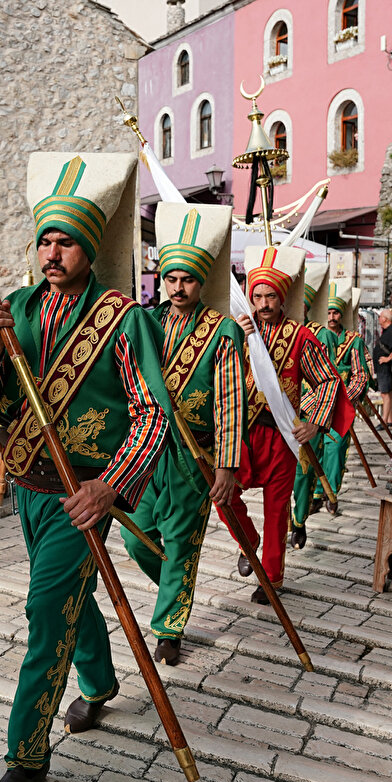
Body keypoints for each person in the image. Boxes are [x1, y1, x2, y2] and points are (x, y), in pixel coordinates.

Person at [0, 153, 171, 782]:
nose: (53, 253)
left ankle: (26, 756)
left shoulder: (124, 318)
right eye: (45, 241)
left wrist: (111, 486)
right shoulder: (16, 307)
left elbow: (151, 415)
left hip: (83, 496)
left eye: (67, 242)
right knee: (67, 596)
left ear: (90, 248)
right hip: (25, 486)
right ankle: (99, 680)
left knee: (44, 609)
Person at [124, 202, 244, 667]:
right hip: (148, 448)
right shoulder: (145, 323)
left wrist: (228, 464)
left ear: (201, 282)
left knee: (180, 540)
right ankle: (177, 588)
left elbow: (230, 400)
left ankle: (169, 627)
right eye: (171, 279)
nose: (178, 287)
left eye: (188, 280)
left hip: (195, 456)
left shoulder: (222, 332)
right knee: (138, 536)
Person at [216, 246, 349, 603]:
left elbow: (328, 381)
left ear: (282, 297)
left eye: (269, 296)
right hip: (240, 435)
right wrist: (234, 337)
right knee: (222, 494)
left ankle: (271, 578)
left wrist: (314, 422)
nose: (262, 303)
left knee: (276, 511)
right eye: (256, 295)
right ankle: (248, 541)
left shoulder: (301, 337)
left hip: (281, 437)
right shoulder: (237, 330)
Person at [290, 262, 336, 547]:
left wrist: (315, 418)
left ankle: (299, 519)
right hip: (276, 418)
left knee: (303, 473)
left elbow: (327, 379)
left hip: (308, 415)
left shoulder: (322, 335)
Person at [315, 280, 371, 505]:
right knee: (314, 448)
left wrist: (347, 397)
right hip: (315, 403)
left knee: (335, 449)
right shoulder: (314, 336)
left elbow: (361, 374)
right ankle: (316, 492)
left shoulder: (353, 341)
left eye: (335, 312)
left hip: (341, 403)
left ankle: (331, 492)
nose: (331, 317)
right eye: (328, 312)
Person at [373, 308, 392, 426]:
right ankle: (389, 420)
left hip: (385, 368)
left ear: (384, 319)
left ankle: (384, 421)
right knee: (388, 393)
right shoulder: (387, 330)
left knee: (385, 394)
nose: (379, 319)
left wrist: (388, 358)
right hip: (382, 368)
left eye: (380, 317)